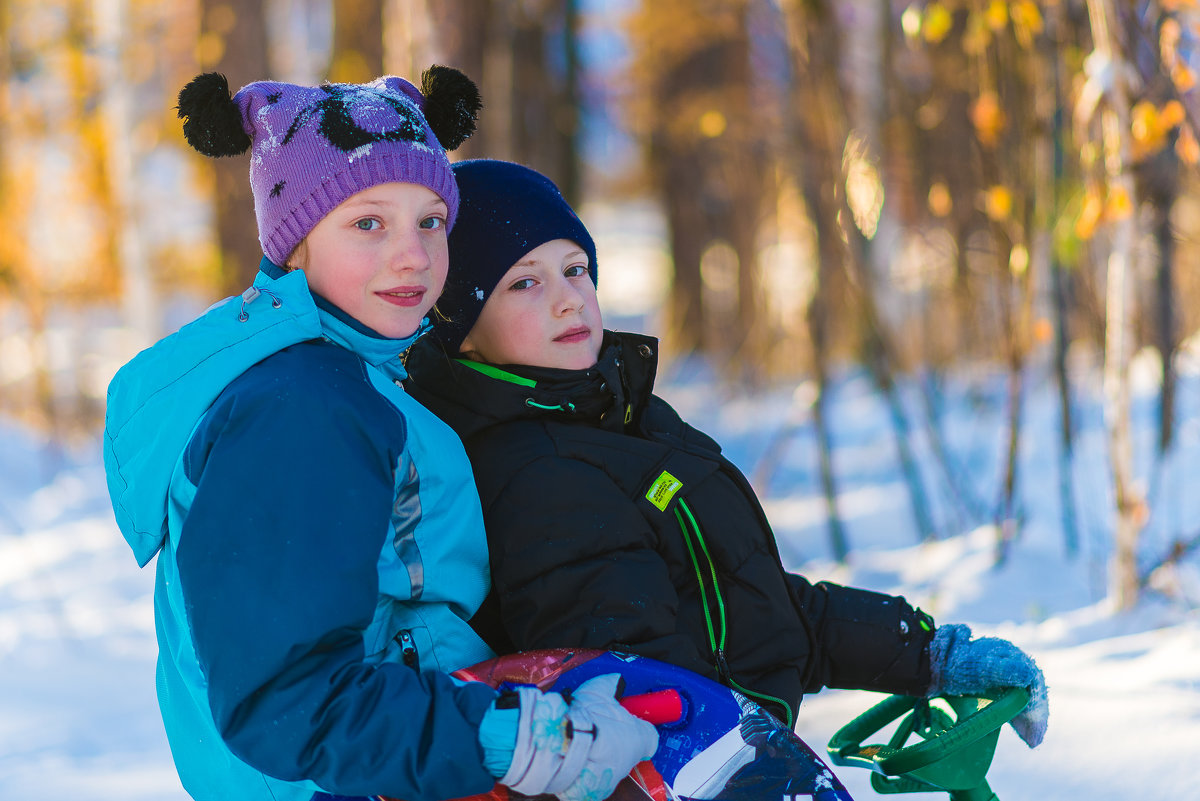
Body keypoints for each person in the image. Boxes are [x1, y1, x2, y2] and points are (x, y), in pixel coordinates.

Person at [102, 73, 655, 801]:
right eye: (369, 223)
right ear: (295, 241)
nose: (414, 256)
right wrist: (517, 738)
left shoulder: (351, 380)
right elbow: (286, 697)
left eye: (430, 221)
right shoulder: (298, 406)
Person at [404, 159, 1049, 748]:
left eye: (575, 269)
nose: (568, 297)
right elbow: (638, 695)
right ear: (462, 329)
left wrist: (929, 656)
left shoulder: (625, 418)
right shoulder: (539, 474)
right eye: (523, 285)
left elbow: (745, 603)